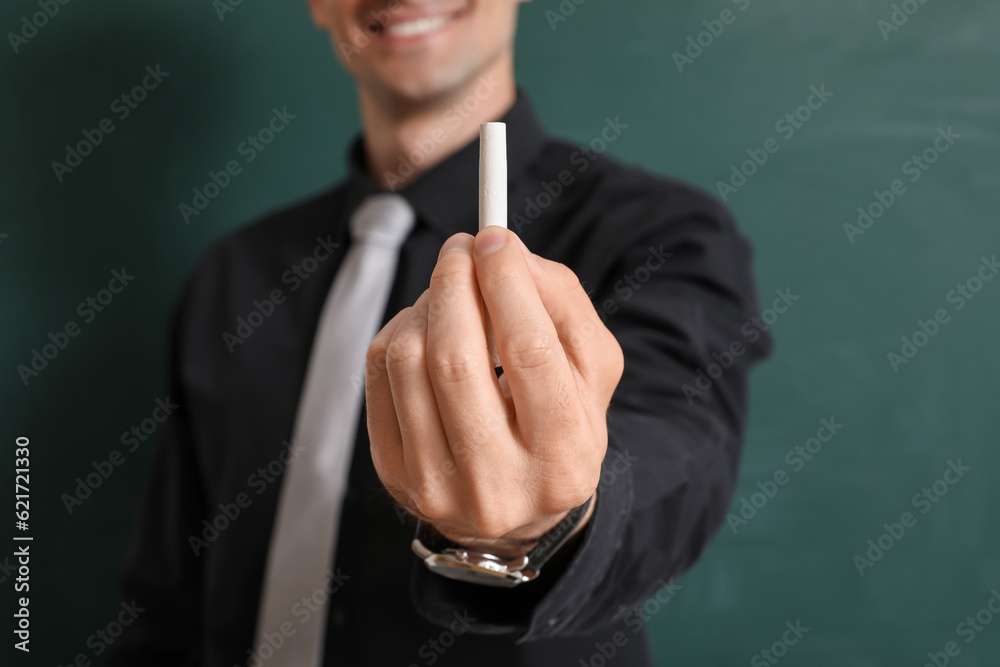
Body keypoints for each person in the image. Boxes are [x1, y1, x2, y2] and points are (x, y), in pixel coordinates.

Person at [108, 1, 771, 665]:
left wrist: (538, 527)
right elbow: (168, 598)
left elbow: (676, 456)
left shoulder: (659, 236)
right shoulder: (234, 276)